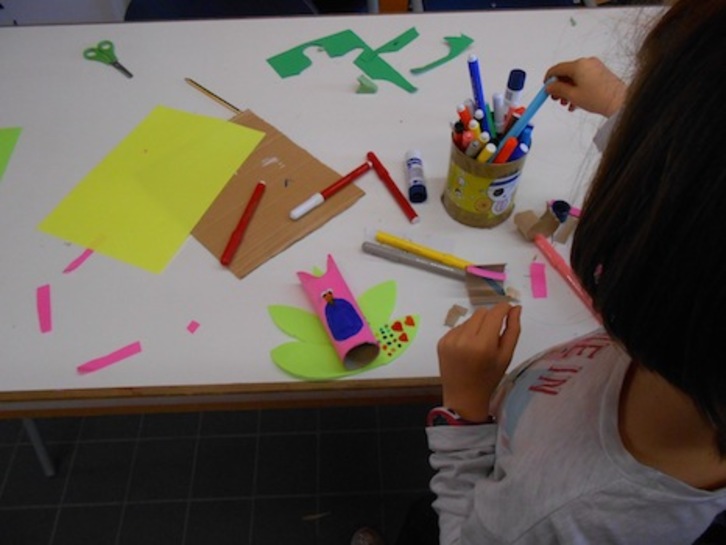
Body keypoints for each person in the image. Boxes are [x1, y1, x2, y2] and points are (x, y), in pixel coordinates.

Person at [427, 1, 726, 544]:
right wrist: (622, 107)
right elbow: (700, 189)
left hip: (483, 480)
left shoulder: (560, 513)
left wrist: (464, 414)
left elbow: (467, 536)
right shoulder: (694, 347)